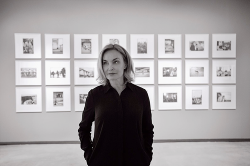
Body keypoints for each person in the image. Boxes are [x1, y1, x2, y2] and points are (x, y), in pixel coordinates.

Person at [78, 44, 154, 166]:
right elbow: (84, 129)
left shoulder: (141, 94)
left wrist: (147, 156)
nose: (110, 67)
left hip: (136, 161)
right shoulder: (94, 95)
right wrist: (90, 157)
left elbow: (147, 129)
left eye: (115, 62)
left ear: (125, 64)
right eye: (105, 62)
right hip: (102, 161)